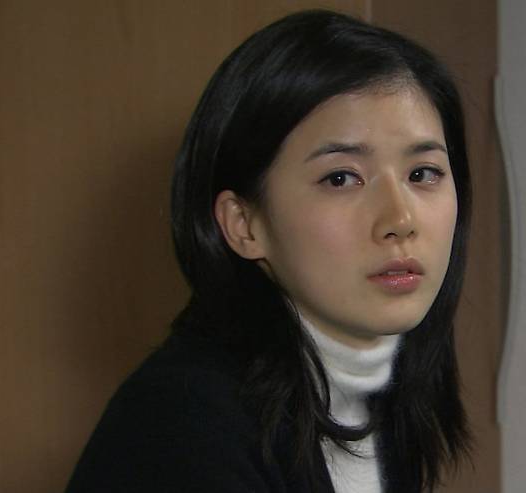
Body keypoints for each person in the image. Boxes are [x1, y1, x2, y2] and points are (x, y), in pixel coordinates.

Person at [66, 9, 472, 493]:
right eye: (341, 178)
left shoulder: (379, 383)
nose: (400, 220)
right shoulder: (180, 426)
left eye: (423, 173)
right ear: (244, 224)